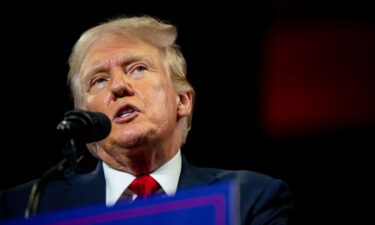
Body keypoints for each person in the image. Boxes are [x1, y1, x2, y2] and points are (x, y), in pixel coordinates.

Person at [0, 16, 293, 224]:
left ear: (182, 101)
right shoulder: (27, 207)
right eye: (99, 80)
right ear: (85, 118)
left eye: (138, 68)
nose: (118, 86)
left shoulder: (249, 198)